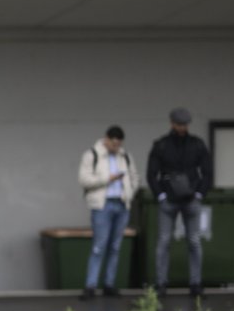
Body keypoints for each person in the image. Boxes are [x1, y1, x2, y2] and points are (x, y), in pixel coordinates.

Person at [146, 108, 214, 299]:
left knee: (193, 242)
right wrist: (160, 196)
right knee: (165, 242)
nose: (182, 127)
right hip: (171, 200)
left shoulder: (196, 145)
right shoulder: (161, 145)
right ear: (172, 123)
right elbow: (151, 174)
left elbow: (207, 171)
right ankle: (161, 284)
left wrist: (200, 194)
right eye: (179, 124)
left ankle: (195, 284)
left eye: (185, 124)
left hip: (190, 199)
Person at [78, 126, 137, 300]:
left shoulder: (125, 156)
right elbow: (84, 180)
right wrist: (108, 178)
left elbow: (134, 177)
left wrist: (129, 194)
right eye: (113, 143)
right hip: (102, 205)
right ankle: (91, 286)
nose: (115, 147)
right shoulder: (92, 155)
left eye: (118, 144)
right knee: (99, 246)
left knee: (115, 246)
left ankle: (109, 284)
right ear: (106, 139)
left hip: (121, 204)